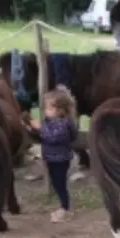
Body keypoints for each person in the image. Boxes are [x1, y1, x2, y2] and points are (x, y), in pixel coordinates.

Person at [28, 89, 79, 222]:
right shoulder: (51, 122)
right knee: (57, 183)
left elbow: (53, 137)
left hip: (60, 159)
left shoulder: (63, 123)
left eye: (49, 108)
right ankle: (63, 207)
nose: (46, 111)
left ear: (60, 110)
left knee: (59, 183)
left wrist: (40, 128)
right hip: (52, 158)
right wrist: (32, 130)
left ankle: (65, 209)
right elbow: (44, 138)